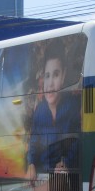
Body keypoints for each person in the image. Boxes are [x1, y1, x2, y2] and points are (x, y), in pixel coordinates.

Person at [26, 40, 81, 182]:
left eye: (56, 75)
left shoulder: (74, 105)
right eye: (47, 75)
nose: (50, 83)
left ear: (63, 76)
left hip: (68, 178)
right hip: (42, 177)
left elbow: (79, 140)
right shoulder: (40, 111)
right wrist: (31, 163)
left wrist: (66, 162)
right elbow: (34, 142)